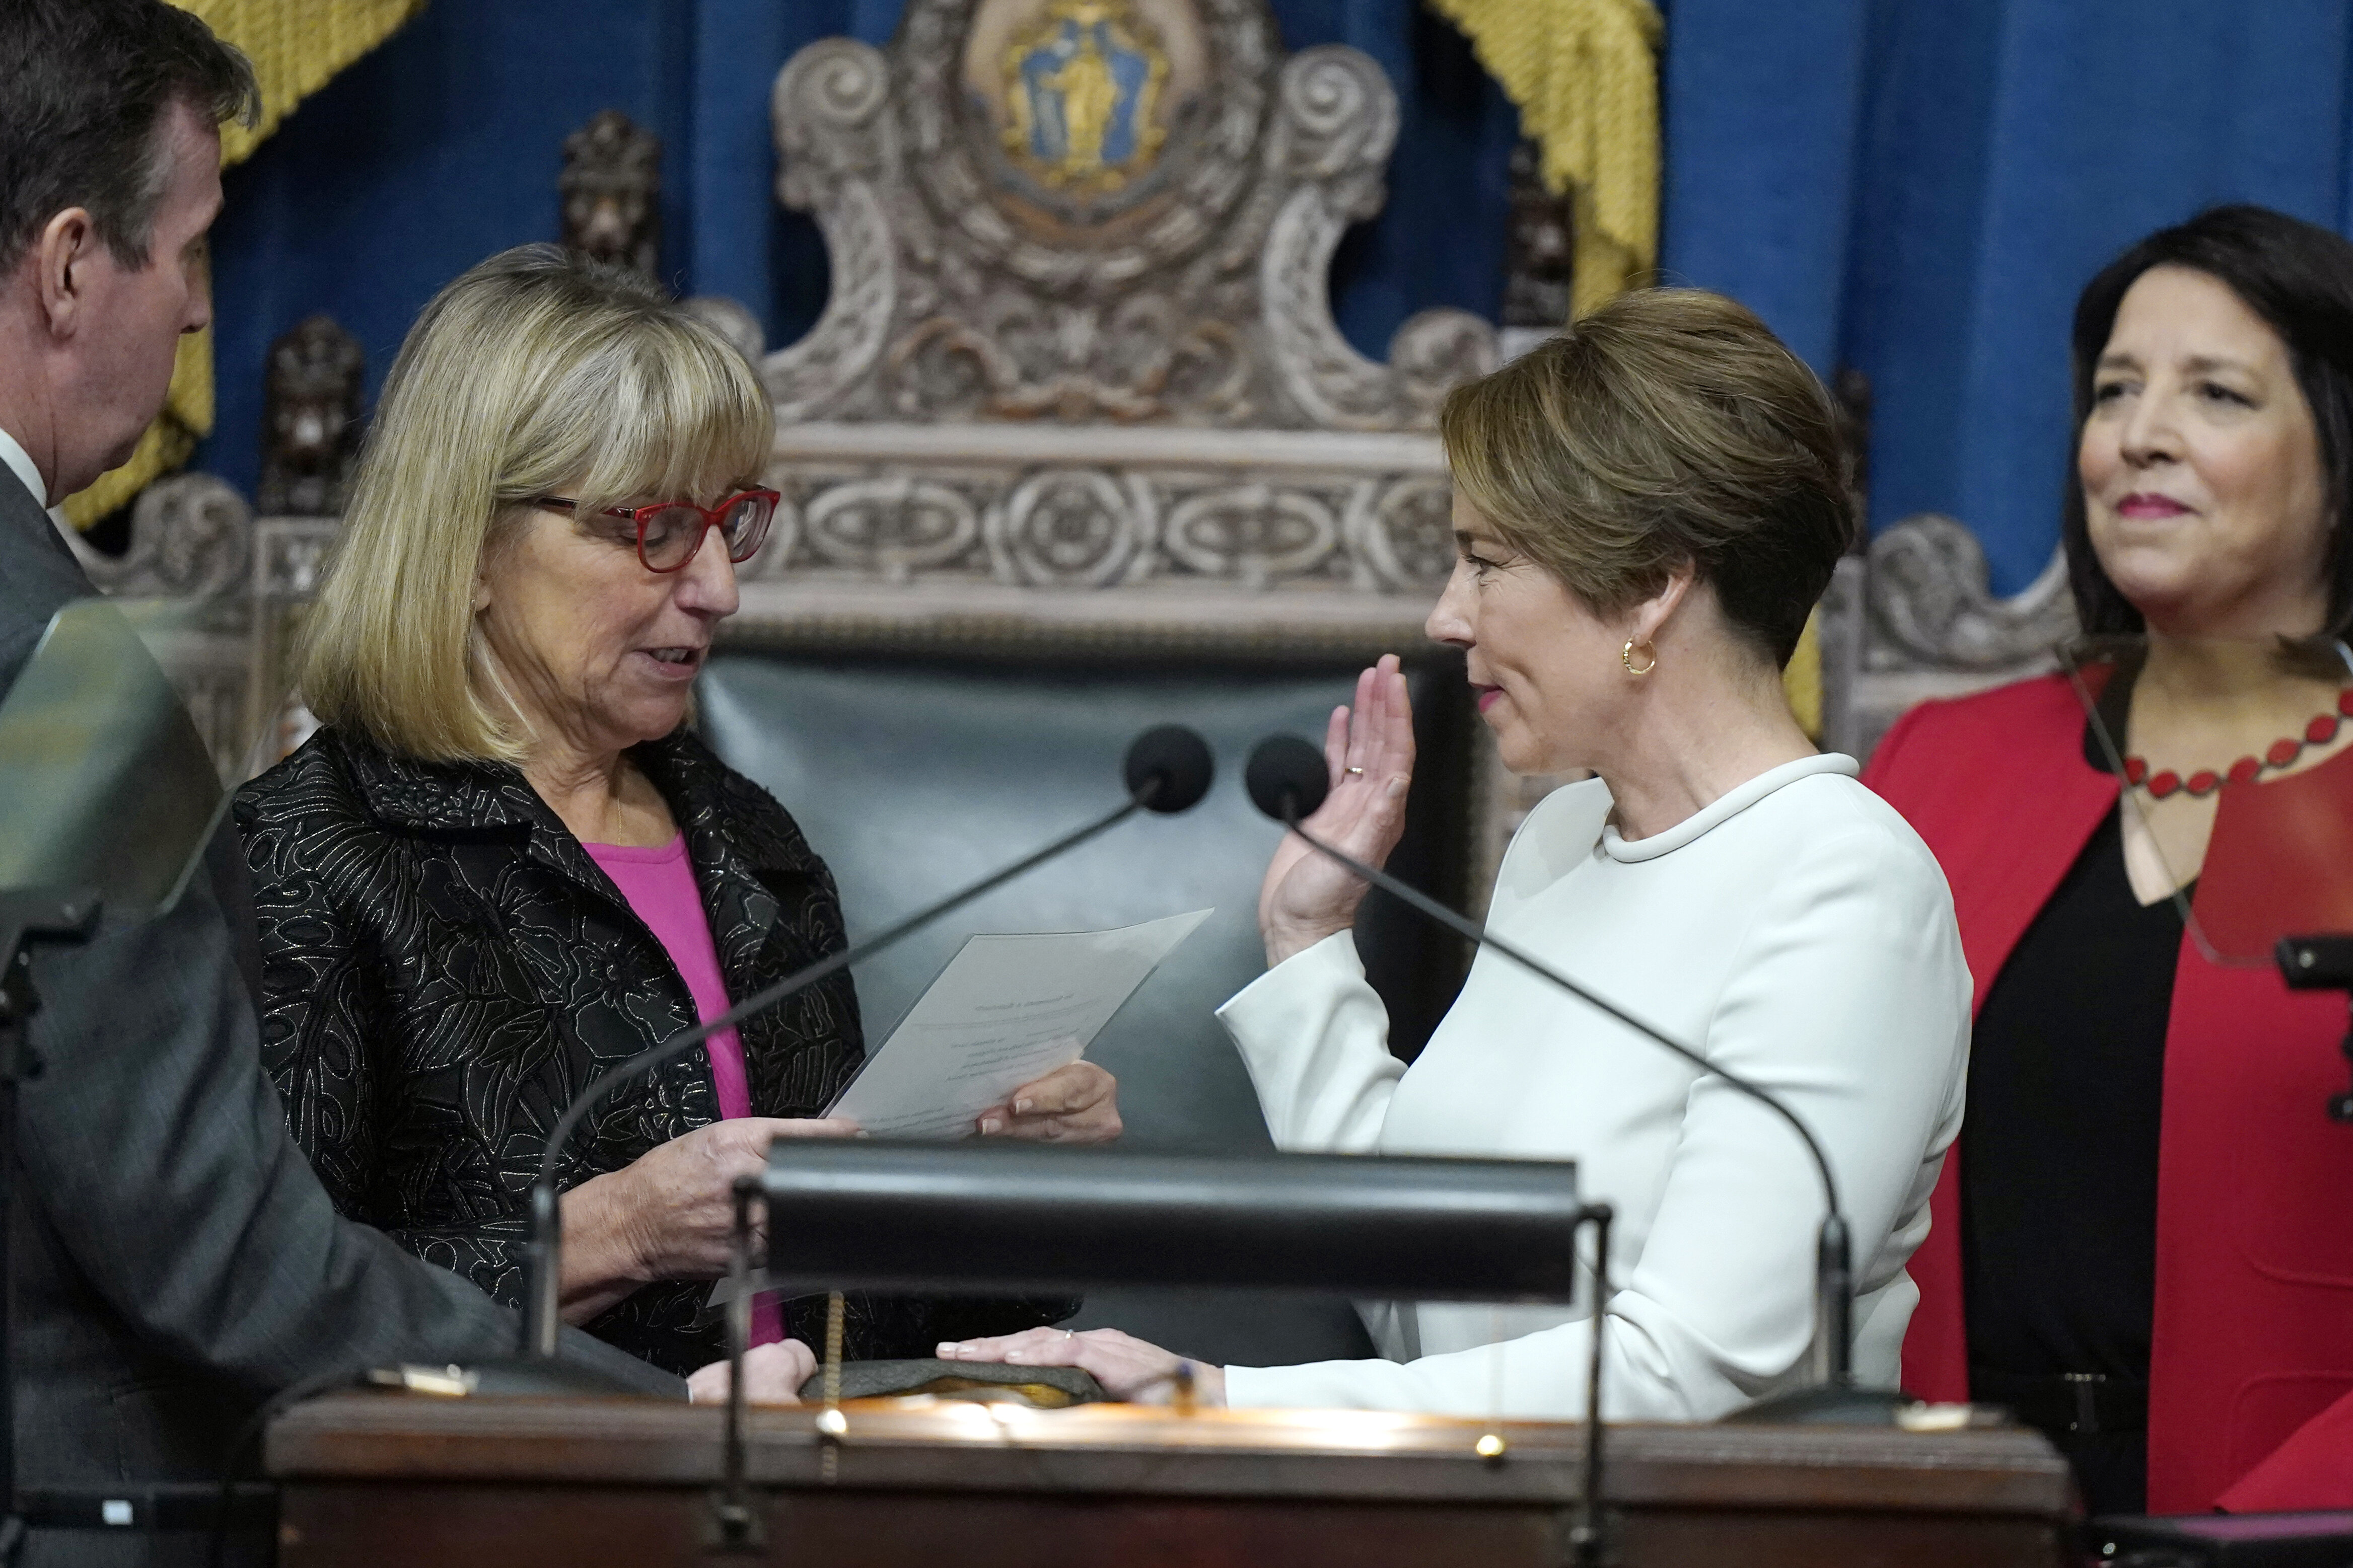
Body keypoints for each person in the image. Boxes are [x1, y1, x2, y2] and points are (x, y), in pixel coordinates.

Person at [0, 8, 811, 1564]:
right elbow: (236, 1262)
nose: (195, 323)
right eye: (188, 252)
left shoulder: (754, 847)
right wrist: (664, 1418)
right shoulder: (60, 674)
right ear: (69, 263)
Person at [939, 288, 1972, 1419]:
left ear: (1650, 584)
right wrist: (1307, 938)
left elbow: (1704, 1362)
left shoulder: (1844, 886)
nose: (1445, 615)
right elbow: (1427, 1297)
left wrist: (1232, 1402)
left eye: (1486, 561)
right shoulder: (1567, 838)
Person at [234, 245, 1120, 1381]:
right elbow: (258, 1297)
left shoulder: (754, 845)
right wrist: (623, 1232)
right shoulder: (307, 854)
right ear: (469, 547)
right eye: (653, 527)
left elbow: (859, 1311)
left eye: (730, 521)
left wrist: (1021, 1193)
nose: (718, 586)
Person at [1865, 205, 2353, 1516]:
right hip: (1949, 1518)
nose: (2139, 432)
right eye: (2115, 390)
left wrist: (2272, 1530)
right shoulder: (1946, 764)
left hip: (2287, 1525)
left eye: (2216, 394)